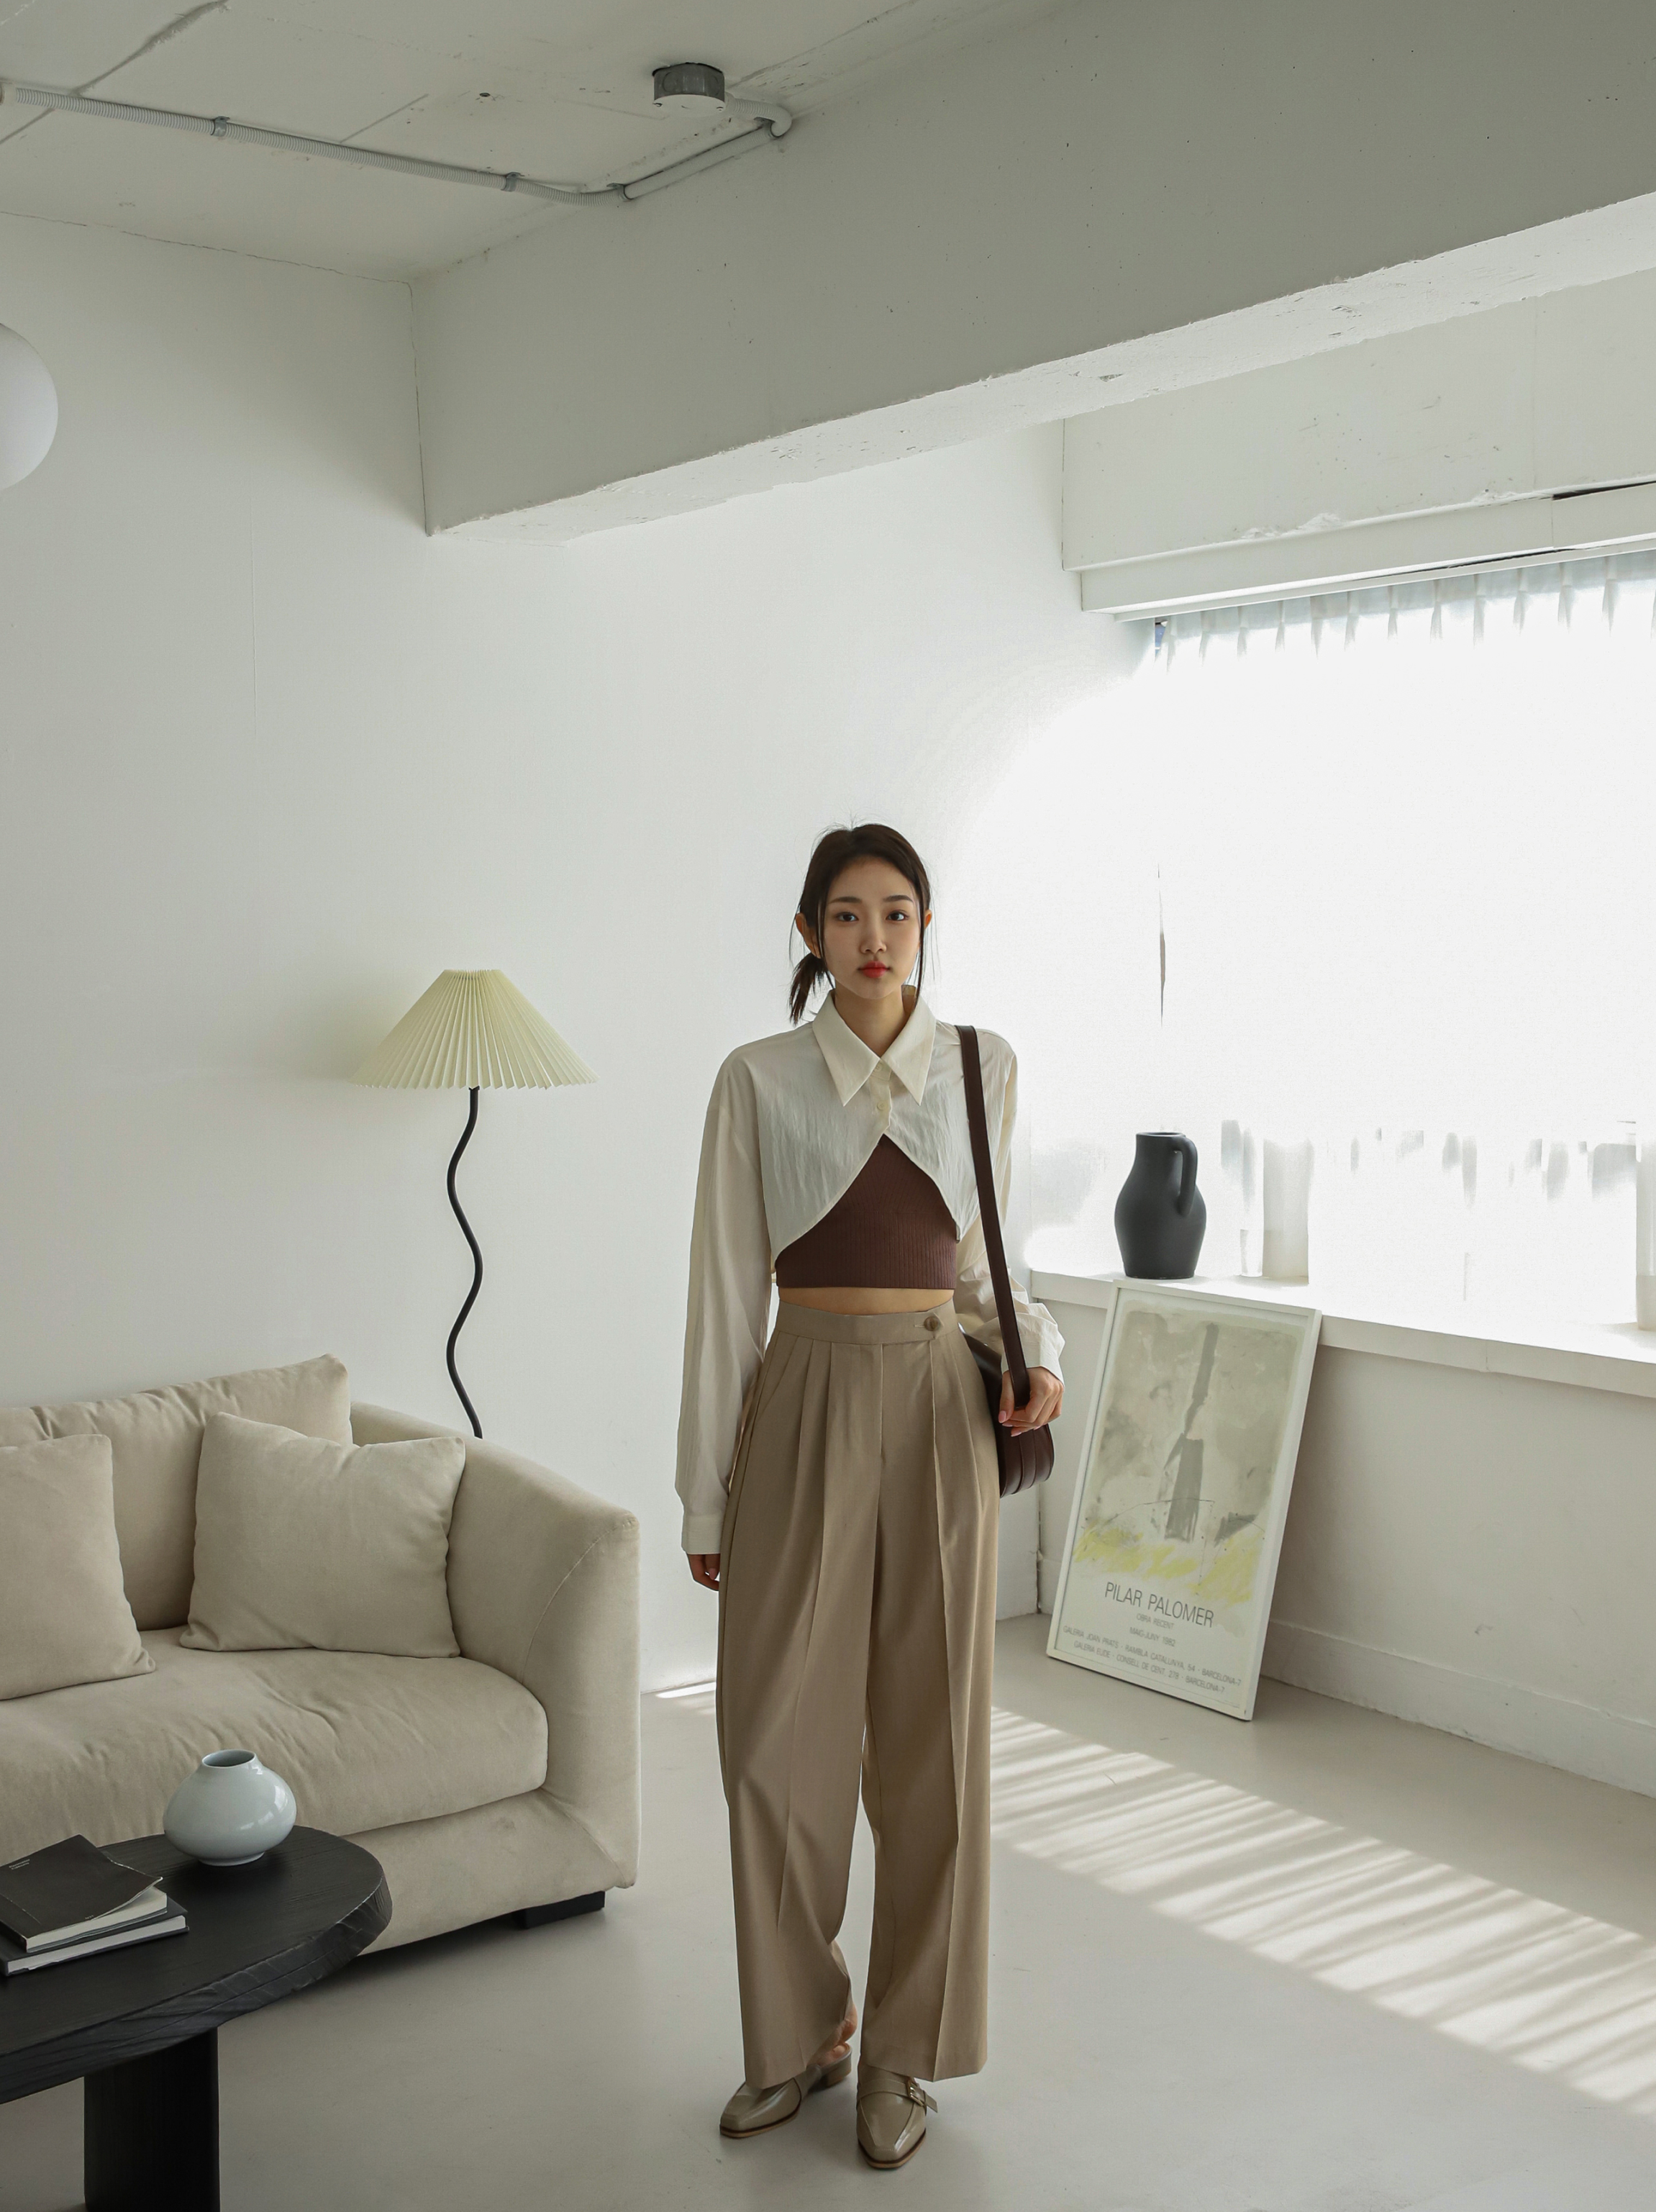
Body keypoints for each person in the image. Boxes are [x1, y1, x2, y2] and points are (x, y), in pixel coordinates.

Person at [675, 822, 1064, 2169]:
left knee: (930, 1744)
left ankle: (905, 2047)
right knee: (771, 1737)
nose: (876, 936)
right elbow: (725, 1293)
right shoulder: (759, 1080)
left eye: (898, 911)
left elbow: (993, 1261)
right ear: (808, 934)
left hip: (939, 1404)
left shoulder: (980, 1066)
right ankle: (797, 2033)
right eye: (847, 914)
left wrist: (1040, 1361)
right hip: (798, 1397)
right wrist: (703, 1498)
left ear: (925, 925)